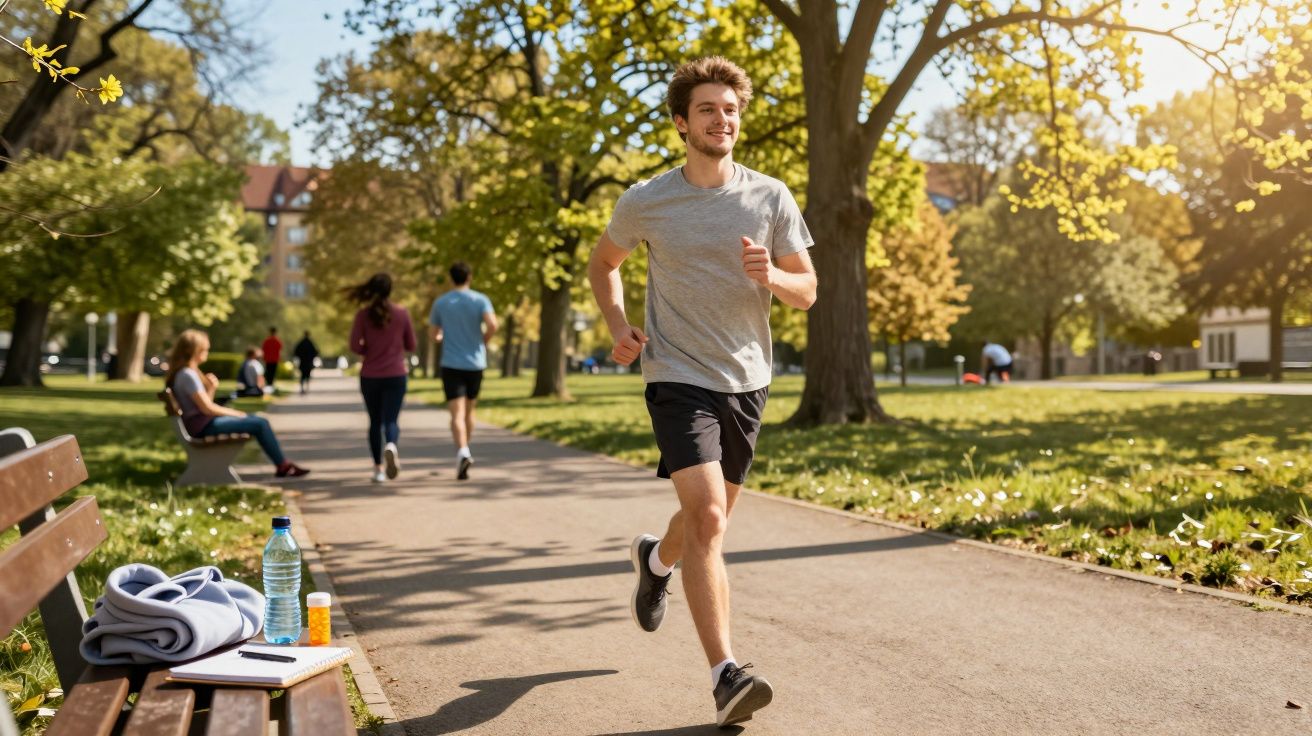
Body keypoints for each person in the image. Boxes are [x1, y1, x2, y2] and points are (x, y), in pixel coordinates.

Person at [587, 57, 816, 728]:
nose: (723, 119)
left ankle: (654, 562)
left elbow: (809, 292)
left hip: (747, 379)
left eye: (731, 110)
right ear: (682, 122)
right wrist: (620, 327)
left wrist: (772, 273)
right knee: (711, 516)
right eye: (709, 109)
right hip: (674, 375)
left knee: (703, 523)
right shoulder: (647, 200)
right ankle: (726, 676)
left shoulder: (770, 196)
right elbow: (605, 264)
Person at [164, 330, 308, 477]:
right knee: (260, 423)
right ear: (194, 350)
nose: (207, 352)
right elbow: (207, 409)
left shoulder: (185, 373)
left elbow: (204, 406)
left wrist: (212, 389)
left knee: (257, 420)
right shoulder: (188, 375)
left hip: (200, 424)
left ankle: (282, 465)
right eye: (205, 349)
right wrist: (238, 414)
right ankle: (283, 465)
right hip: (202, 427)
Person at [428, 262, 497, 481]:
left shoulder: (441, 302)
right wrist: (482, 341)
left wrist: (442, 338)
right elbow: (493, 325)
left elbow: (434, 335)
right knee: (470, 411)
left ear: (451, 278)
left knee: (456, 414)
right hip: (475, 363)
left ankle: (463, 451)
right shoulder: (480, 299)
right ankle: (466, 447)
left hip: (451, 363)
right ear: (470, 277)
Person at [347, 273, 416, 483]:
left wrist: (368, 348)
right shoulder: (402, 313)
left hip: (370, 376)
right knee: (391, 420)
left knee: (374, 422)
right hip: (396, 374)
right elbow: (411, 344)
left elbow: (354, 345)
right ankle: (392, 445)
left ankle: (378, 469)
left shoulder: (363, 315)